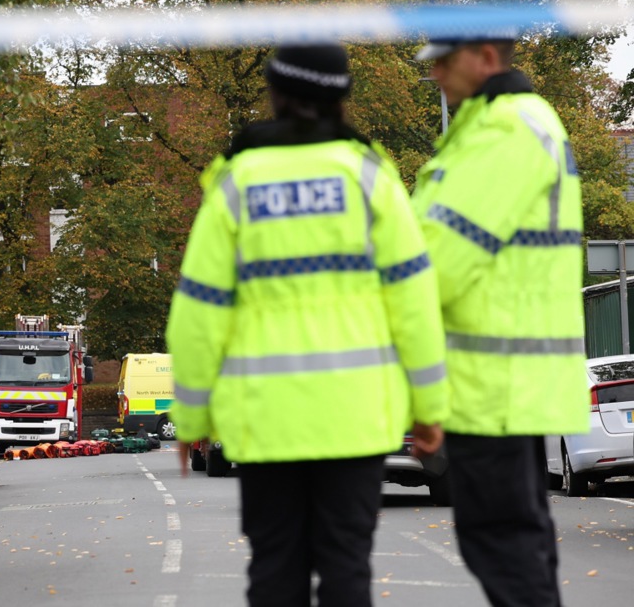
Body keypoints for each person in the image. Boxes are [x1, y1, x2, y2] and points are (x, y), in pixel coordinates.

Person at [166, 43, 450, 607]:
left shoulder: (237, 184)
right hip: (355, 419)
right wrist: (429, 410)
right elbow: (415, 303)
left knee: (276, 569)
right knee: (347, 567)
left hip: (266, 420)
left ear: (275, 94)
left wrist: (192, 416)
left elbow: (199, 312)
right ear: (342, 98)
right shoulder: (370, 179)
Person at [411, 35, 589, 607]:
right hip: (499, 379)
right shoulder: (500, 127)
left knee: (503, 544)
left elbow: (437, 260)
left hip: (494, 383)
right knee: (514, 543)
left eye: (446, 61)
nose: (436, 74)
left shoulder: (504, 130)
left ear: (486, 56)